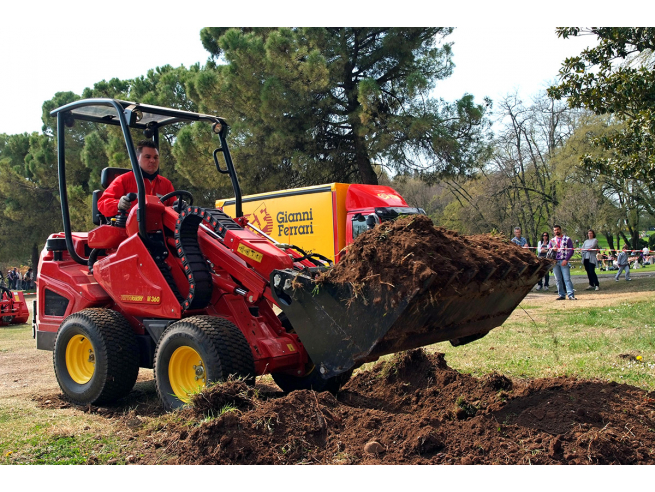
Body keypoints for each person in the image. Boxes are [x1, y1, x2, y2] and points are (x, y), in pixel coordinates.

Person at [97, 140, 175, 217]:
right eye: (147, 157)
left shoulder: (166, 184)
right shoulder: (123, 180)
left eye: (155, 157)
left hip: (159, 227)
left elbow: (174, 207)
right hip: (129, 227)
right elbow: (102, 204)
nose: (152, 160)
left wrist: (179, 206)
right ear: (137, 158)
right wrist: (118, 204)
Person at [549, 224, 576, 300]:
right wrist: (552, 250)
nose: (556, 231)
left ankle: (570, 294)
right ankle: (561, 294)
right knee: (558, 279)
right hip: (555, 262)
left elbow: (571, 250)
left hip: (564, 260)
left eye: (557, 230)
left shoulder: (567, 239)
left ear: (560, 230)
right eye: (555, 230)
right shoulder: (552, 241)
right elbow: (549, 251)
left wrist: (566, 260)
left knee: (567, 279)